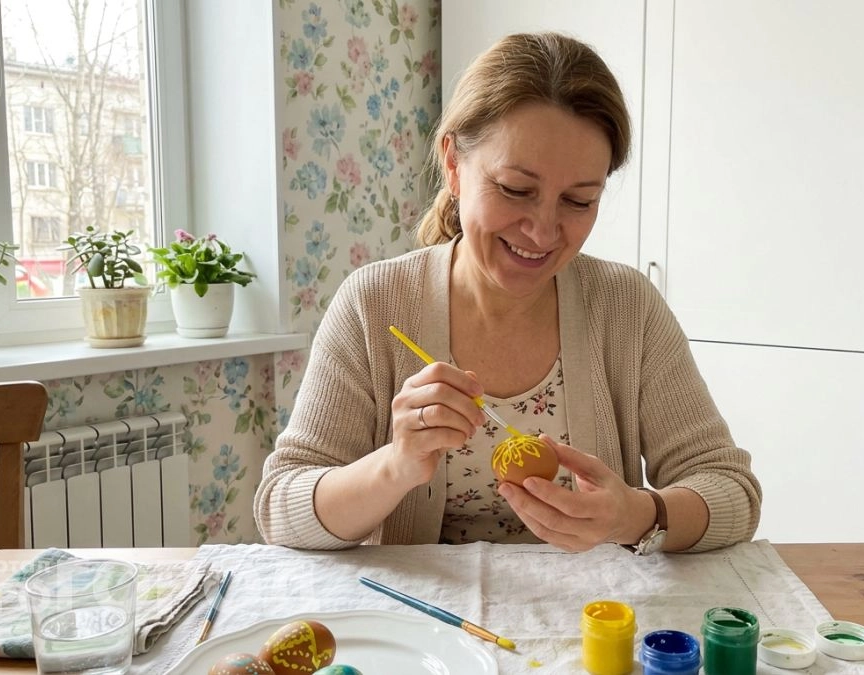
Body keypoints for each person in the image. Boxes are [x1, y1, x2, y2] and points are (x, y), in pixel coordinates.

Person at [255, 32, 761, 553]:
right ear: (453, 165)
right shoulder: (374, 303)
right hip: (422, 626)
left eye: (579, 201)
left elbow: (732, 492)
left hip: (591, 623)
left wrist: (634, 515)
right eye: (516, 190)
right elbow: (281, 510)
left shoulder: (626, 307)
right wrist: (396, 465)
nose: (543, 233)